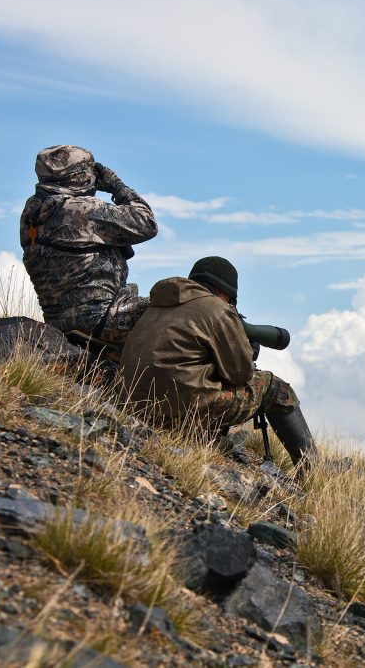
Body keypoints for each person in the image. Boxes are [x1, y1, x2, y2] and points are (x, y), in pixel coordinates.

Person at [120, 256, 316, 471]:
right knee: (275, 387)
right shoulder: (216, 309)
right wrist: (246, 350)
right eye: (230, 299)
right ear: (223, 291)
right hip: (179, 412)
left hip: (133, 407)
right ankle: (313, 470)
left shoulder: (155, 306)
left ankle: (204, 436)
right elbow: (240, 375)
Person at [19, 145, 157, 346]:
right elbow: (147, 223)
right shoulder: (81, 209)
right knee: (185, 301)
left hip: (59, 325)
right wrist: (116, 185)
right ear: (79, 175)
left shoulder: (31, 213)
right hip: (105, 320)